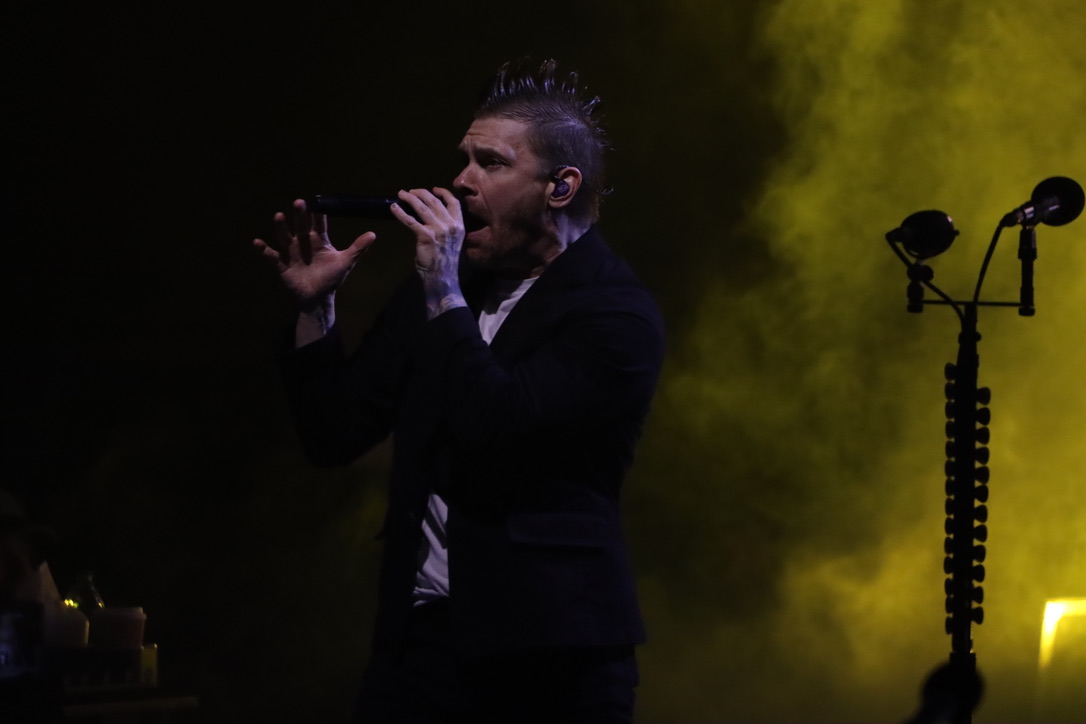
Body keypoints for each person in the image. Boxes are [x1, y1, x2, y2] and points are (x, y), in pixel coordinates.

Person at [254, 58, 665, 723]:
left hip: (552, 658)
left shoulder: (614, 314)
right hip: (421, 649)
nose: (461, 181)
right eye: (464, 160)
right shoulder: (436, 293)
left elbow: (494, 425)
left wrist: (442, 290)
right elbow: (334, 435)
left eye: (491, 163)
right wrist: (315, 310)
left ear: (560, 187)